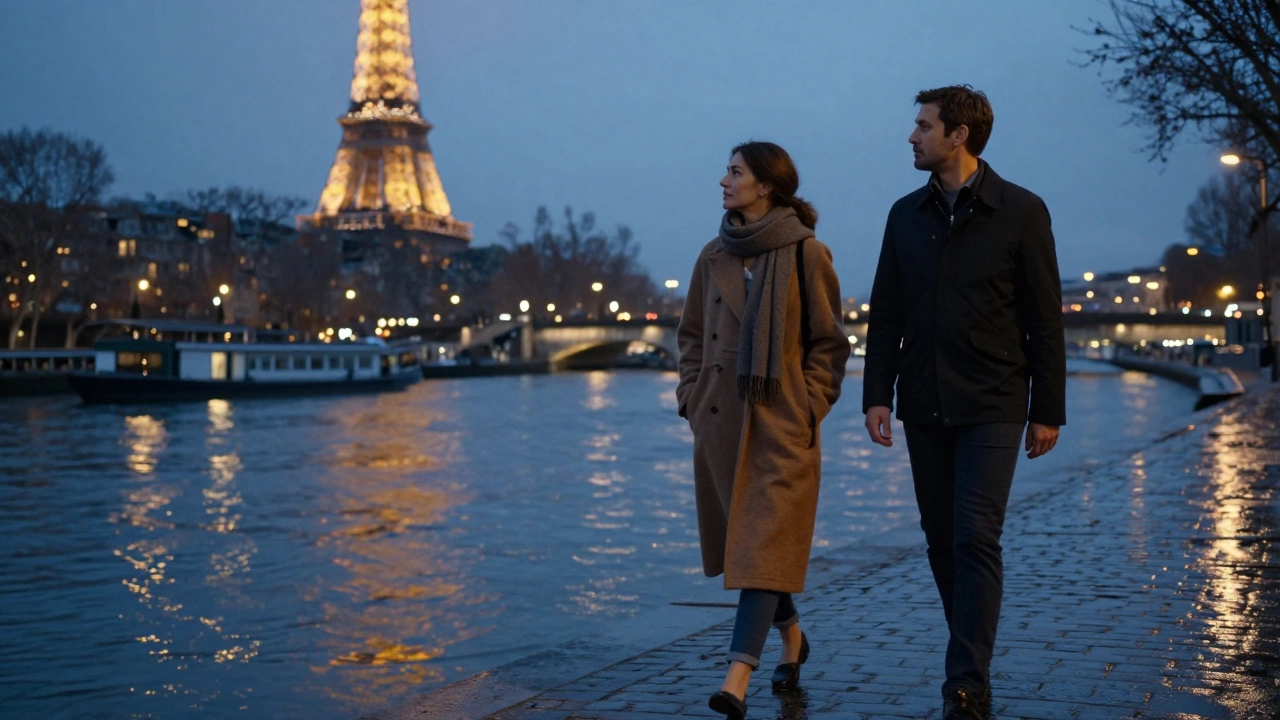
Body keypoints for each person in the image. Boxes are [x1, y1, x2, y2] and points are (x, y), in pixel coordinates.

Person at [862, 86, 1066, 720]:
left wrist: (1047, 407)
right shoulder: (903, 214)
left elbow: (1044, 317)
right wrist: (877, 394)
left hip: (994, 400)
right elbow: (886, 311)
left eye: (922, 126)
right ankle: (970, 650)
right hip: (923, 401)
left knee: (976, 535)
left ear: (959, 135)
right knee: (940, 539)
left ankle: (966, 678)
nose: (911, 136)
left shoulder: (1022, 211)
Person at [676, 141, 850, 720]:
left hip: (781, 423)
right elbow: (692, 339)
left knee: (761, 542)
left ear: (766, 185)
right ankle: (793, 637)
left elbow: (829, 343)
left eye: (734, 171)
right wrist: (691, 398)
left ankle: (737, 677)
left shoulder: (807, 254)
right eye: (727, 169)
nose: (723, 180)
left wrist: (810, 404)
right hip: (723, 423)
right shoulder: (711, 256)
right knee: (755, 549)